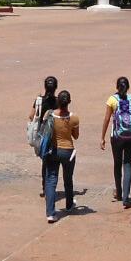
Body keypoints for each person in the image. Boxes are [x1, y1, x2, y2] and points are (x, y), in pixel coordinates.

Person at [100, 76, 131, 207]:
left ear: (117, 87)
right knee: (127, 164)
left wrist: (102, 137)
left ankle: (119, 192)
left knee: (117, 163)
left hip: (117, 137)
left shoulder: (112, 100)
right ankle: (126, 198)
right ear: (128, 87)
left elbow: (106, 119)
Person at [44, 90, 79, 223]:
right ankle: (69, 205)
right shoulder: (74, 118)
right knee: (68, 179)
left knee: (51, 180)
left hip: (53, 151)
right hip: (68, 151)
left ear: (58, 101)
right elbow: (75, 136)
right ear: (69, 102)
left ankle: (51, 213)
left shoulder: (50, 115)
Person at [28, 76, 59, 197]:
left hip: (41, 135)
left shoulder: (39, 100)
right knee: (53, 163)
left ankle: (45, 188)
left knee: (45, 161)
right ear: (56, 87)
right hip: (54, 135)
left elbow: (31, 116)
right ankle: (51, 187)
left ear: (45, 86)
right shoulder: (58, 101)